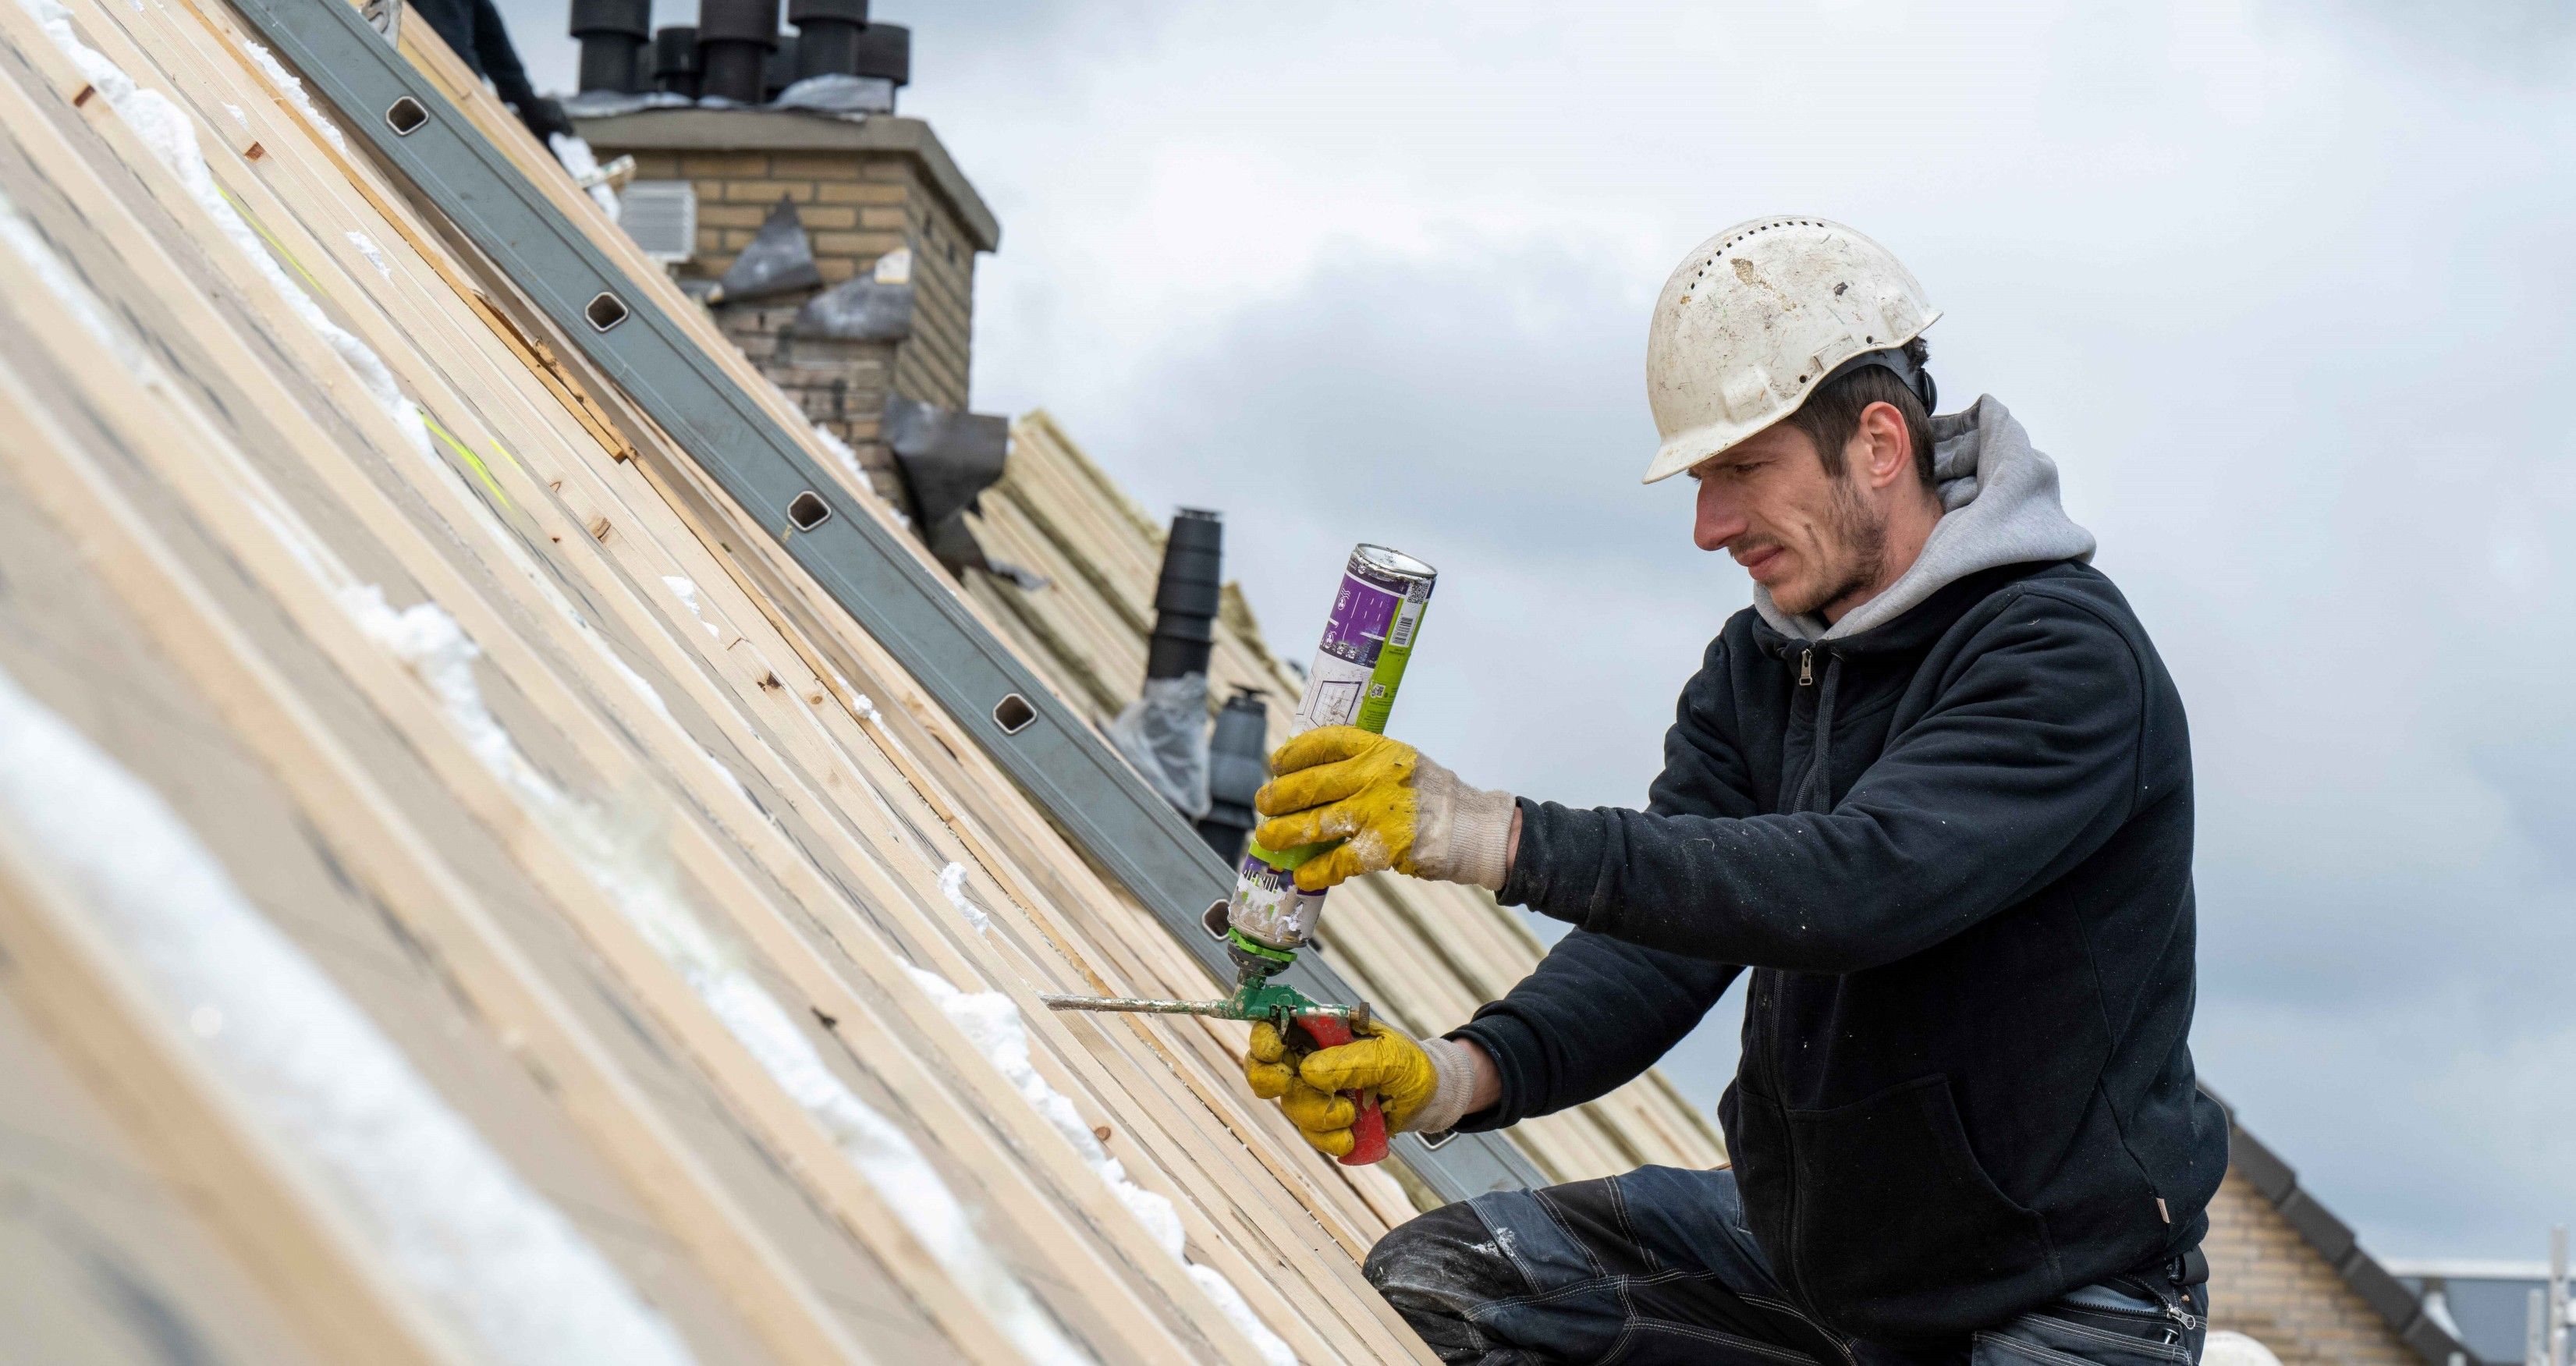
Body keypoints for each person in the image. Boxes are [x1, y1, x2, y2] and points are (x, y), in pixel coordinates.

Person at [1243, 218, 2229, 1364]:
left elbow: (1854, 884)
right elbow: (1669, 935)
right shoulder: (1761, 663)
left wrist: (1488, 833)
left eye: (1740, 470)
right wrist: (1453, 1075)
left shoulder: (2056, 658)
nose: (1709, 526)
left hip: (2048, 1299)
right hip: (1814, 1255)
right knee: (1444, 1286)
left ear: (1875, 444)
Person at [410, 0, 576, 144]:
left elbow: (493, 42)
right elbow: (451, 56)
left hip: (448, 101)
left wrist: (529, 103)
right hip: (432, 100)